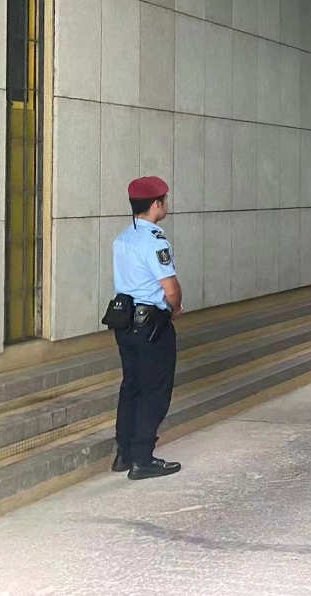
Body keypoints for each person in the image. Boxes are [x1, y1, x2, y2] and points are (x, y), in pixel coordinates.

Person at [110, 176, 184, 480]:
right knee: (154, 390)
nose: (166, 204)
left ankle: (124, 453)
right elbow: (171, 288)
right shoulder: (155, 242)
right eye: (164, 200)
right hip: (152, 325)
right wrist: (175, 307)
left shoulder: (122, 238)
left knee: (132, 385)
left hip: (124, 322)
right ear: (156, 204)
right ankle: (143, 459)